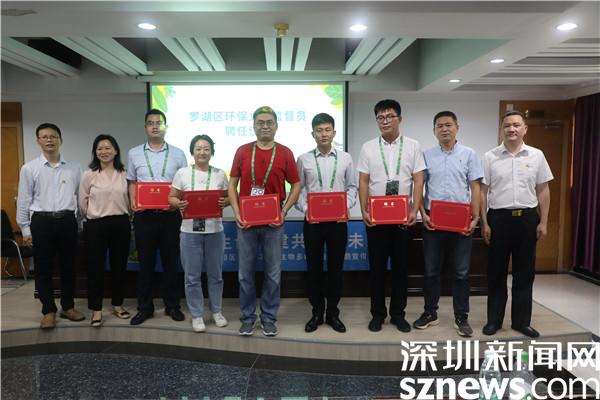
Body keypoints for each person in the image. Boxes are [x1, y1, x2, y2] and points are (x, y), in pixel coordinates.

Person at [228, 106, 301, 337]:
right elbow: (232, 184)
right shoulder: (242, 151)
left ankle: (269, 317)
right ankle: (247, 318)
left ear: (277, 126)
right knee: (245, 274)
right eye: (260, 122)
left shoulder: (285, 153)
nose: (265, 126)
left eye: (269, 122)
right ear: (253, 126)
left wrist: (284, 211)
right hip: (246, 223)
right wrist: (236, 212)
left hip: (274, 223)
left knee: (273, 274)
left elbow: (296, 184)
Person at [480, 110, 552, 338]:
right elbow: (482, 192)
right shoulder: (490, 157)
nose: (511, 129)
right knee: (496, 273)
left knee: (524, 273)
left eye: (516, 125)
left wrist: (543, 221)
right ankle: (494, 321)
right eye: (507, 125)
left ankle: (522, 322)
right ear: (501, 129)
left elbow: (543, 190)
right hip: (498, 220)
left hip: (527, 220)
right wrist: (484, 223)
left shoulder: (537, 155)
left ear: (525, 129)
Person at [357, 99, 425, 333]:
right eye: (380, 117)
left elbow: (418, 180)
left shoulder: (413, 146)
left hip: (403, 217)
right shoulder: (368, 147)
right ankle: (377, 314)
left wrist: (415, 209)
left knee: (401, 269)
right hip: (376, 218)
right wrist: (363, 210)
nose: (385, 121)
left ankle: (398, 314)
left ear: (400, 119)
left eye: (389, 116)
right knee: (376, 268)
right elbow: (363, 181)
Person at [413, 111, 482, 337]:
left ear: (457, 128)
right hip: (433, 220)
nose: (444, 129)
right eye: (440, 126)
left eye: (448, 125)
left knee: (461, 272)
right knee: (431, 270)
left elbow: (475, 188)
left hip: (461, 220)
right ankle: (430, 312)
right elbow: (419, 187)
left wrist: (476, 218)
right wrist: (422, 214)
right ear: (434, 131)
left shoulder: (469, 154)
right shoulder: (426, 155)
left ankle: (461, 317)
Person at [16, 123, 85, 329]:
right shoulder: (29, 168)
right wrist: (25, 229)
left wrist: (78, 222)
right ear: (38, 141)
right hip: (42, 221)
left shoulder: (74, 167)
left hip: (67, 221)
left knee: (68, 266)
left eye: (53, 136)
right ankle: (48, 310)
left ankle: (68, 307)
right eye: (44, 137)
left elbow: (79, 197)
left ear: (60, 140)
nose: (49, 140)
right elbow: (24, 200)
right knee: (43, 268)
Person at [295, 113, 357, 333]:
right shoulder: (303, 159)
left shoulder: (346, 158)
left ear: (334, 133)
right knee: (314, 268)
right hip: (312, 222)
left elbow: (352, 187)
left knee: (335, 269)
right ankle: (316, 312)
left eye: (327, 130)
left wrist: (344, 207)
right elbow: (299, 189)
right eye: (319, 130)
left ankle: (332, 313)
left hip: (337, 223)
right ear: (313, 134)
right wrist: (307, 209)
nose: (323, 134)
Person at [127, 109, 188, 325]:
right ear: (145, 127)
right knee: (145, 263)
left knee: (171, 262)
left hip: (170, 215)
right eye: (151, 123)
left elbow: (184, 184)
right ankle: (145, 307)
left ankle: (172, 305)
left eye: (159, 123)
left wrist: (178, 203)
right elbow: (132, 182)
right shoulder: (134, 153)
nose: (155, 126)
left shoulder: (178, 153)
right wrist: (133, 201)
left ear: (165, 127)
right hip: (144, 216)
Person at [168, 135, 229, 333]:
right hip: (189, 232)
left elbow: (229, 197)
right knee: (192, 276)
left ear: (212, 152)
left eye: (206, 148)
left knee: (216, 275)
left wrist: (225, 202)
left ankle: (217, 311)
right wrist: (179, 203)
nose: (202, 152)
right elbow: (171, 197)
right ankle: (196, 314)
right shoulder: (182, 173)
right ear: (192, 151)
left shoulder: (220, 174)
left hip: (215, 231)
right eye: (198, 148)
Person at [79, 134, 131, 327]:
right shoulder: (89, 174)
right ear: (95, 152)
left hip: (121, 223)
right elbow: (82, 202)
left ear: (116, 150)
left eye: (108, 148)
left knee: (119, 266)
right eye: (99, 148)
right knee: (95, 268)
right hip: (96, 225)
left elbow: (131, 199)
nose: (104, 151)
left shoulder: (125, 173)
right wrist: (93, 215)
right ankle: (96, 309)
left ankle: (117, 304)